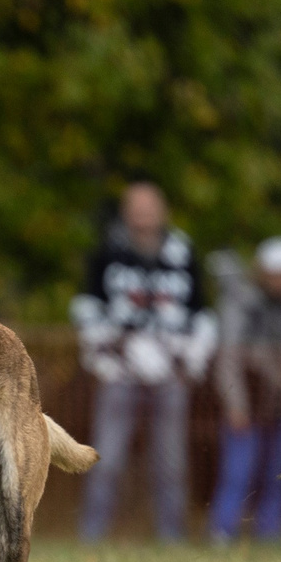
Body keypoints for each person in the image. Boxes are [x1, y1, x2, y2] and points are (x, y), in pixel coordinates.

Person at [71, 179, 214, 541]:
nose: (144, 215)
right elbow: (86, 308)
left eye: (150, 207)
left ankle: (172, 538)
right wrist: (103, 360)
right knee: (107, 459)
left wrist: (190, 363)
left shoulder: (183, 254)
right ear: (126, 212)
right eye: (136, 207)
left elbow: (203, 315)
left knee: (171, 462)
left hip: (170, 374)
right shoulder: (108, 252)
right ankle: (93, 536)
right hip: (120, 373)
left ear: (162, 210)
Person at [207, 237, 281, 543]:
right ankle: (223, 530)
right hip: (247, 406)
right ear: (261, 272)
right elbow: (228, 359)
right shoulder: (239, 305)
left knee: (277, 473)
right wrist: (235, 404)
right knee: (238, 473)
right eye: (275, 273)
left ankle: (270, 532)